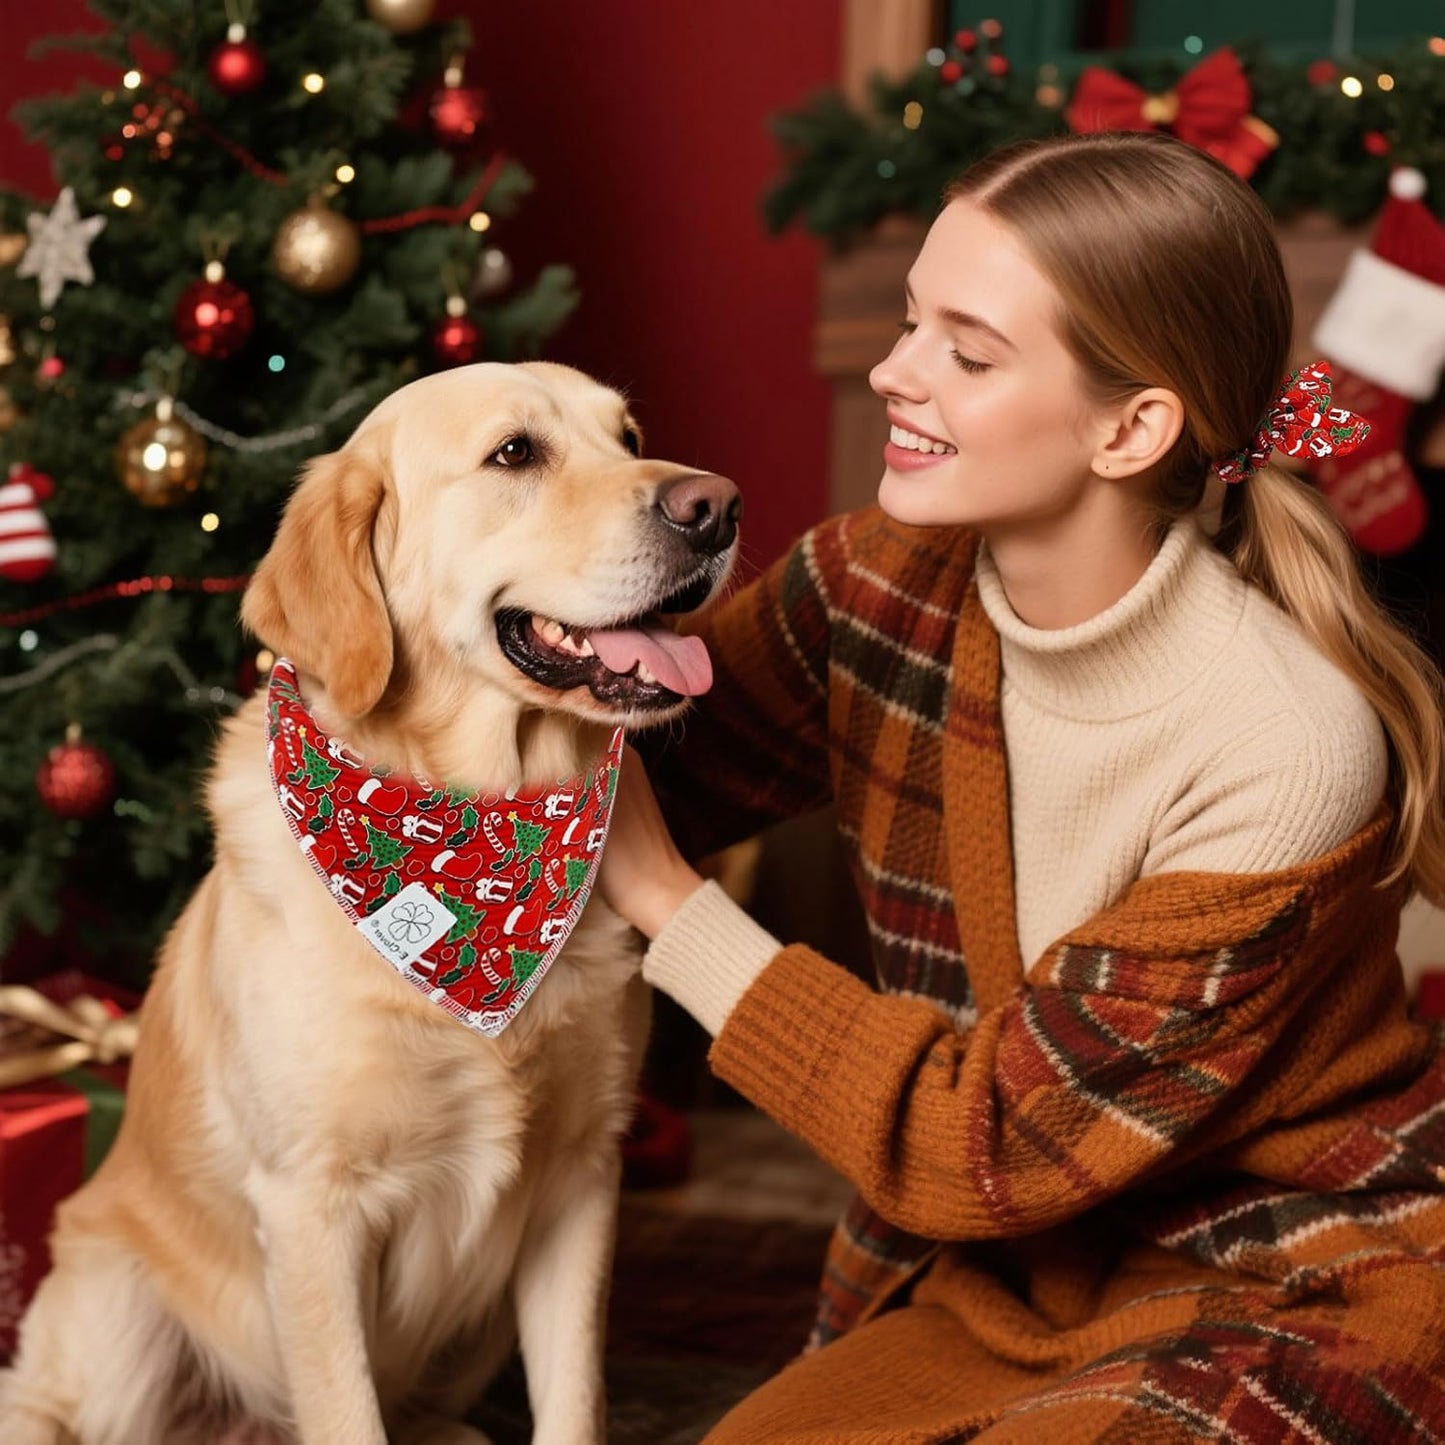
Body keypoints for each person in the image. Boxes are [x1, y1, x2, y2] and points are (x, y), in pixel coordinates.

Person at [596, 129, 1445, 1443]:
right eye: (906, 320)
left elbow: (981, 1141)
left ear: (1131, 425)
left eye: (966, 351)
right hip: (1002, 1270)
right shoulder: (875, 584)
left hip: (1292, 1273)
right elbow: (630, 760)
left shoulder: (1286, 743)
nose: (891, 371)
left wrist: (663, 895)